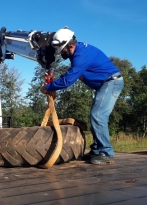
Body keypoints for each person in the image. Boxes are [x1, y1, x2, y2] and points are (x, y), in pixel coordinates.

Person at [41, 26, 124, 165]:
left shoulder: (80, 56)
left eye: (63, 51)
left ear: (70, 46)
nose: (62, 54)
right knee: (95, 115)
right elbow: (71, 74)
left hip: (111, 82)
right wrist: (54, 82)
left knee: (98, 115)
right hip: (105, 83)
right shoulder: (79, 52)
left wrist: (47, 87)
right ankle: (97, 149)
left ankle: (105, 152)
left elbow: (67, 80)